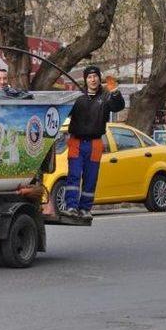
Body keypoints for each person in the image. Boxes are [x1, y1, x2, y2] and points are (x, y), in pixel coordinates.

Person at [63, 66, 125, 220]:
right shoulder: (77, 98)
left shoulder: (106, 97)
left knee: (91, 178)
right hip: (76, 142)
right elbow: (62, 111)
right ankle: (71, 206)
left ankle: (85, 209)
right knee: (74, 176)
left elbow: (119, 106)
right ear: (85, 80)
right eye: (89, 77)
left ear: (99, 79)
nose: (93, 79)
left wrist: (115, 92)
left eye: (95, 76)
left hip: (95, 143)